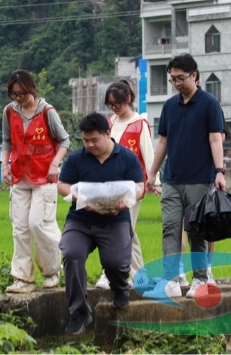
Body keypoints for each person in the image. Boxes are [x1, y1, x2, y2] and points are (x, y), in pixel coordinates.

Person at [144, 54, 226, 299]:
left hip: (200, 179)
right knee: (170, 228)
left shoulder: (209, 103)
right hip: (171, 179)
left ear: (194, 76)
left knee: (196, 231)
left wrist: (220, 171)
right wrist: (151, 173)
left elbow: (215, 139)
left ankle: (199, 279)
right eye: (173, 79)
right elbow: (163, 143)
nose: (177, 83)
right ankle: (170, 280)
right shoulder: (169, 106)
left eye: (181, 78)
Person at [57, 113, 144, 335]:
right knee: (72, 254)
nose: (89, 145)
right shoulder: (77, 158)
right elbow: (63, 185)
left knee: (115, 262)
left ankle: (120, 289)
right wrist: (80, 197)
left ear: (107, 134)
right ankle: (79, 311)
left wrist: (129, 199)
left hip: (115, 219)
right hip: (82, 219)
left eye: (94, 140)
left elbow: (140, 187)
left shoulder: (127, 158)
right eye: (85, 140)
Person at [2, 69, 71, 293]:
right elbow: (6, 141)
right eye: (14, 95)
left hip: (44, 177)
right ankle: (22, 278)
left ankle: (52, 272)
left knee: (39, 223)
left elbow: (64, 141)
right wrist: (4, 165)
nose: (18, 99)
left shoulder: (47, 112)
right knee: (19, 228)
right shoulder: (9, 112)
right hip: (18, 176)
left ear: (32, 88)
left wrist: (55, 164)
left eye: (22, 93)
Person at [94, 79, 157, 289]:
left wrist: (154, 181)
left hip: (131, 186)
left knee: (119, 228)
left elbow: (149, 154)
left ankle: (110, 274)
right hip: (109, 185)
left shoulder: (140, 124)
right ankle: (140, 276)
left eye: (117, 103)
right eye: (110, 104)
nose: (114, 108)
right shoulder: (109, 124)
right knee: (126, 230)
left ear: (128, 99)